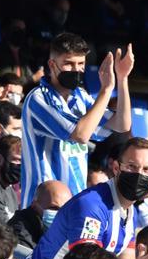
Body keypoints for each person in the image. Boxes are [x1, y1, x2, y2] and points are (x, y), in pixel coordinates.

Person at [19, 32, 133, 206]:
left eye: (81, 64)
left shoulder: (80, 97)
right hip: (42, 205)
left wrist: (122, 79)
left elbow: (122, 124)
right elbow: (80, 135)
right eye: (69, 63)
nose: (76, 69)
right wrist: (105, 90)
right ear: (52, 64)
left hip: (74, 201)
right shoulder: (38, 99)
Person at [18, 137, 148, 259]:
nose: (139, 174)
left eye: (146, 170)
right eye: (131, 166)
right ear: (116, 168)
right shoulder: (92, 205)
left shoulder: (130, 212)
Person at [9, 179, 70, 251]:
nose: (60, 213)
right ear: (34, 205)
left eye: (65, 210)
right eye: (54, 208)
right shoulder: (20, 233)